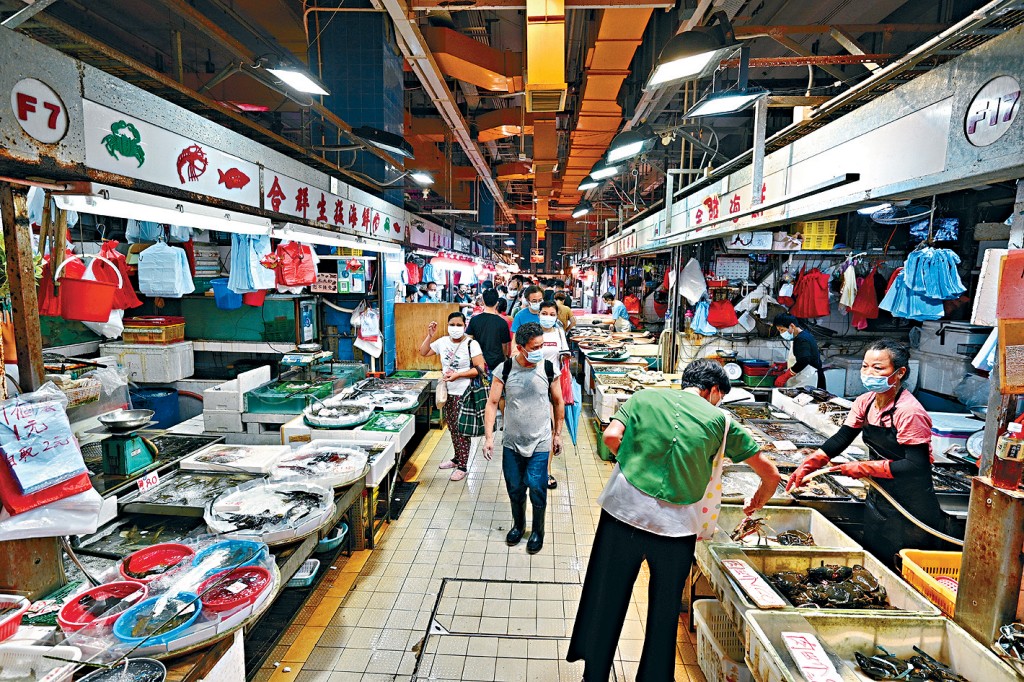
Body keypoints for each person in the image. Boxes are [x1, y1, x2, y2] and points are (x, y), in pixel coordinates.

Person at [567, 359, 780, 682]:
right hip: (676, 528)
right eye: (719, 397)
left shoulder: (643, 397)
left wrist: (634, 464)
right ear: (711, 391)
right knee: (664, 612)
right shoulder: (721, 422)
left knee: (606, 597)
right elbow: (770, 472)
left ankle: (594, 675)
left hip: (623, 513)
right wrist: (758, 498)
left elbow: (611, 437)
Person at [786, 340, 946, 565]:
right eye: (865, 366)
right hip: (879, 497)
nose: (869, 373)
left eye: (878, 368)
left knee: (899, 568)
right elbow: (843, 437)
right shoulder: (866, 401)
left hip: (910, 508)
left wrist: (863, 467)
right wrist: (812, 462)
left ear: (899, 373)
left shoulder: (909, 412)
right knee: (873, 561)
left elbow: (916, 465)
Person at [483, 322, 564, 554]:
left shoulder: (549, 369)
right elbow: (491, 403)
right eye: (535, 346)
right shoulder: (505, 369)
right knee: (515, 488)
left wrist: (558, 434)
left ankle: (538, 531)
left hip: (540, 440)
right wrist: (489, 437)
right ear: (520, 347)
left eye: (542, 345)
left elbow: (558, 402)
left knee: (537, 487)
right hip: (511, 442)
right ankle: (519, 526)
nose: (539, 350)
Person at [418, 313, 486, 481]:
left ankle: (463, 465)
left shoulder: (471, 344)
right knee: (452, 427)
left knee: (462, 430)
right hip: (448, 392)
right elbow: (423, 352)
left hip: (464, 392)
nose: (455, 328)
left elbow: (480, 368)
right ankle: (457, 458)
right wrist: (430, 335)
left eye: (458, 324)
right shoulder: (442, 342)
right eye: (452, 324)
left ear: (464, 325)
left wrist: (458, 375)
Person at [538, 301, 571, 490]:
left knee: (549, 429)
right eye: (544, 313)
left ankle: (546, 471)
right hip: (532, 383)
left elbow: (564, 356)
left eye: (552, 314)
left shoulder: (559, 332)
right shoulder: (532, 330)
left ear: (557, 315)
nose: (548, 316)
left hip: (553, 383)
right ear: (539, 313)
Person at [772, 313, 826, 389]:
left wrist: (785, 376)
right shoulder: (800, 337)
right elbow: (801, 356)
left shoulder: (802, 339)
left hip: (808, 379)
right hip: (802, 377)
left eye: (782, 330)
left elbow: (804, 360)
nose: (781, 333)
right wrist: (785, 364)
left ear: (792, 326)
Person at [466, 289, 512, 374]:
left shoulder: (474, 320)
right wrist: (505, 359)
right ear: (497, 303)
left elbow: (469, 341)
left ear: (483, 301)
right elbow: (505, 346)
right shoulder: (502, 322)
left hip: (478, 364)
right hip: (497, 363)